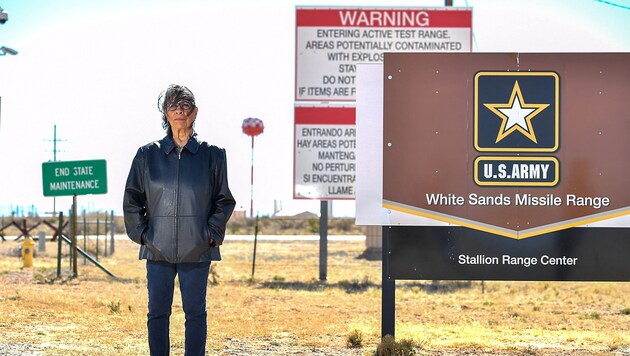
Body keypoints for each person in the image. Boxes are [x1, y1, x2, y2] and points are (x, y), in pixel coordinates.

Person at [123, 84, 235, 356]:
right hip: (157, 249)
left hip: (197, 249)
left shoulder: (213, 155)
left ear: (195, 112)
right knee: (157, 313)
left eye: (185, 106)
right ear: (165, 113)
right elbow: (132, 199)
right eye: (173, 106)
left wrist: (210, 235)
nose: (179, 111)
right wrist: (143, 236)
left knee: (195, 313)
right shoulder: (147, 155)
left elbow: (224, 200)